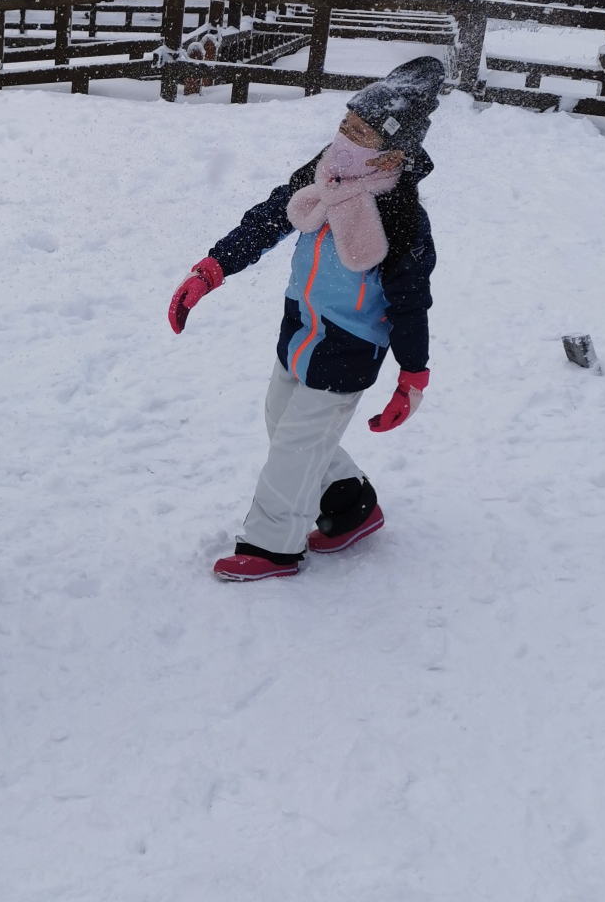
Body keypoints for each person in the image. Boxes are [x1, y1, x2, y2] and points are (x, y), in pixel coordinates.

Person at [167, 55, 443, 582]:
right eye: (344, 123)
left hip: (350, 346)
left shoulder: (401, 216)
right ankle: (350, 503)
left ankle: (271, 545)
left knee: (295, 444)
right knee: (281, 421)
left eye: (358, 132)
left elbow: (412, 303)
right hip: (300, 328)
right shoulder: (327, 174)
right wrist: (212, 269)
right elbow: (270, 217)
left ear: (389, 158)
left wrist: (412, 376)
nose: (342, 137)